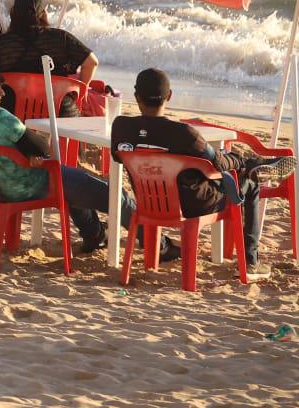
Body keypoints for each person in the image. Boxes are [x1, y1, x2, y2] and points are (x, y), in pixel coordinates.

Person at [111, 69, 294, 276]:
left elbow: (118, 156)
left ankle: (252, 166)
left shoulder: (121, 127)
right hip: (195, 204)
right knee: (249, 185)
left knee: (226, 173)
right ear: (169, 96)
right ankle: (251, 262)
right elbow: (218, 163)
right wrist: (239, 160)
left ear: (136, 97)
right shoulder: (184, 133)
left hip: (148, 202)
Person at [0, 62, 139, 255]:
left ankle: (94, 232)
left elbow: (9, 146)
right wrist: (30, 151)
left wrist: (24, 150)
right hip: (33, 183)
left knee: (76, 181)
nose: (2, 93)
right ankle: (157, 243)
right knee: (115, 195)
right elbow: (41, 146)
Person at [0, 0, 97, 115]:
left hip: (12, 114)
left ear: (13, 12)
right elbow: (91, 62)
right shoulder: (61, 38)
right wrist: (81, 90)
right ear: (43, 13)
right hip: (59, 111)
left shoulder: (1, 44)